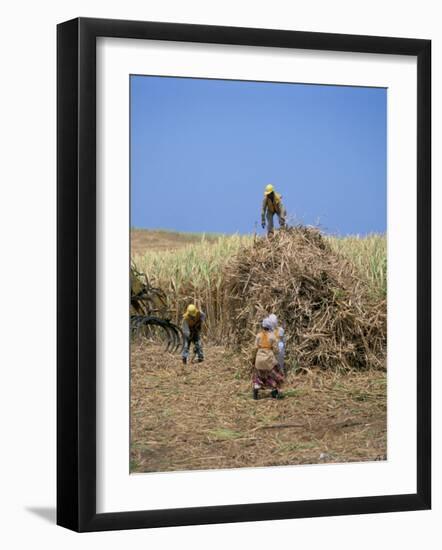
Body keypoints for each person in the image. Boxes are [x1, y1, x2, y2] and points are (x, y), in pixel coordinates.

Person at [252, 317, 284, 400]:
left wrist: (253, 359)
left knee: (259, 376)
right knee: (276, 374)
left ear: (262, 326)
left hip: (259, 359)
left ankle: (256, 390)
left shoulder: (258, 335)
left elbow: (255, 348)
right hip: (269, 360)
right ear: (270, 326)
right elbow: (276, 350)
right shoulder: (272, 336)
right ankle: (275, 392)